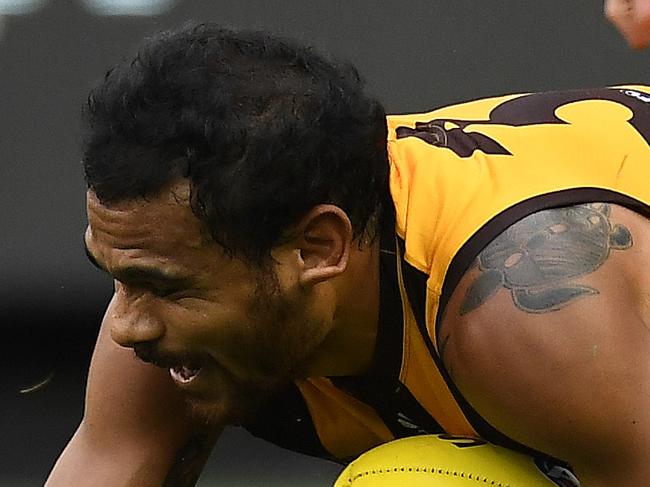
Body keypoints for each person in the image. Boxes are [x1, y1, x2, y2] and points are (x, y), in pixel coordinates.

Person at [46, 23, 650, 487]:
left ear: (317, 249)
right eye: (118, 279)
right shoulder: (171, 322)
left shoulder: (536, 315)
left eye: (166, 285)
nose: (127, 326)